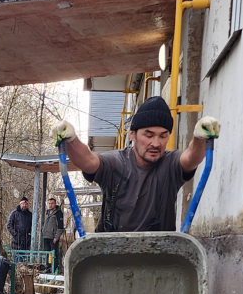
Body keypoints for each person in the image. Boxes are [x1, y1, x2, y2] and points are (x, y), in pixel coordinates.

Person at [49, 97, 219, 232]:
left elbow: (190, 158)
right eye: (148, 134)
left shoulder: (171, 164)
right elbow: (88, 160)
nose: (156, 143)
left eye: (163, 135)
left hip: (159, 256)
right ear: (133, 135)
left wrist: (200, 137)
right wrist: (71, 140)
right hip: (111, 253)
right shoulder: (116, 163)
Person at [41, 196, 65, 271]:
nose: (50, 205)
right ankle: (48, 267)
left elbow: (60, 227)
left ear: (55, 204)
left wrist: (56, 237)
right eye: (49, 203)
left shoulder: (58, 213)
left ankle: (54, 268)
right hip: (46, 236)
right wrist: (43, 231)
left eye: (52, 203)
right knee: (48, 253)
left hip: (53, 237)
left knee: (54, 253)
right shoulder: (47, 212)